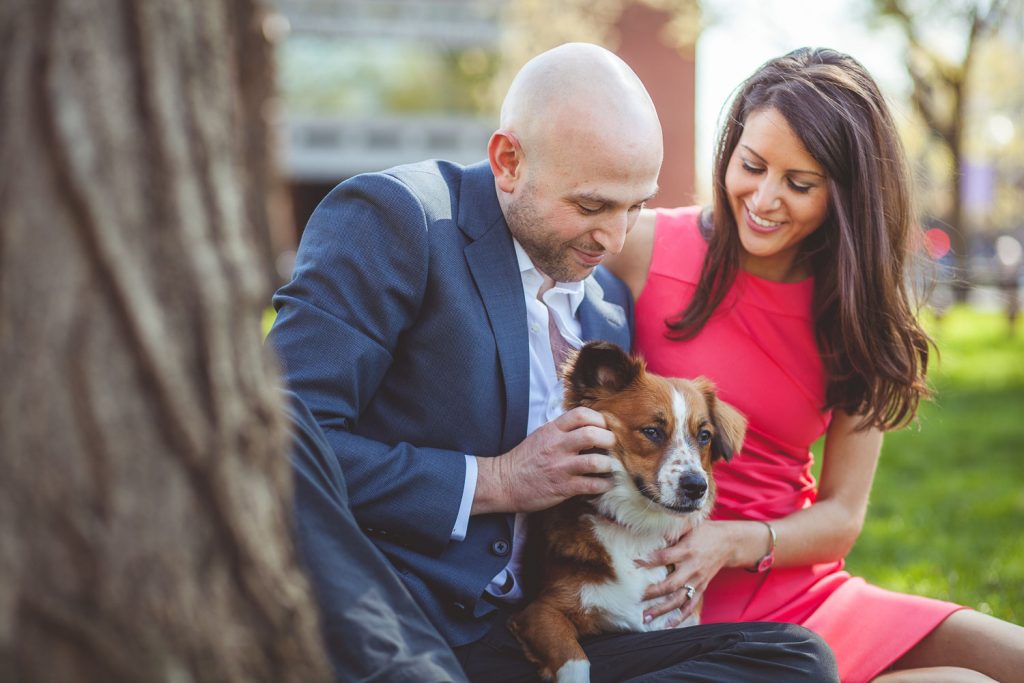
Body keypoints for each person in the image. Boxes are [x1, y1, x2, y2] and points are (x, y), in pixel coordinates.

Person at [269, 43, 838, 682]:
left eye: (636, 206)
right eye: (592, 206)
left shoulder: (608, 305)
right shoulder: (401, 221)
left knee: (795, 660)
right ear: (508, 162)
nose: (614, 239)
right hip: (402, 611)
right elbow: (276, 435)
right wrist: (497, 480)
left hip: (537, 631)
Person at [605, 47, 1024, 683]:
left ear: (846, 198)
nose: (764, 199)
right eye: (751, 166)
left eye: (800, 184)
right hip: (678, 591)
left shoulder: (856, 309)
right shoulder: (643, 248)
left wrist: (740, 541)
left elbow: (841, 517)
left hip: (795, 579)